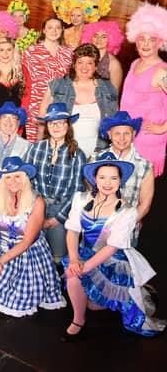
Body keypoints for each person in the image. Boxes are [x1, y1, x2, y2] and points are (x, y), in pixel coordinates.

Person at [62, 153, 165, 340]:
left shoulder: (127, 212)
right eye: (102, 177)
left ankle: (97, 304)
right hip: (86, 252)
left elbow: (111, 247)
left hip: (113, 259)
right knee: (73, 275)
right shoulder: (80, 199)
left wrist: (83, 267)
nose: (107, 182)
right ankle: (79, 319)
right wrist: (75, 259)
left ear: (120, 181)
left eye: (113, 178)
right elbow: (72, 231)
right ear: (94, 179)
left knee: (78, 276)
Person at [0, 156, 66, 316]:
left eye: (17, 176)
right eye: (8, 177)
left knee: (15, 289)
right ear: (3, 180)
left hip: (27, 250)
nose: (13, 181)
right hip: (0, 244)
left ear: (25, 177)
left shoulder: (37, 202)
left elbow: (27, 241)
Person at [26, 103, 86, 262]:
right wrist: (32, 208)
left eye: (61, 122)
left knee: (58, 257)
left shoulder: (77, 154)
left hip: (62, 209)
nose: (56, 126)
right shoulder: (36, 148)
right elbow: (27, 180)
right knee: (34, 251)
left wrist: (58, 218)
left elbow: (77, 190)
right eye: (52, 123)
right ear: (47, 126)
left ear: (68, 125)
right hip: (36, 205)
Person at [40, 43, 118, 157]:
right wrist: (42, 148)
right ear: (74, 64)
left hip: (99, 153)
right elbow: (42, 117)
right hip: (65, 152)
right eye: (80, 62)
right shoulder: (58, 85)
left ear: (96, 66)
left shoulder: (107, 88)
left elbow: (116, 122)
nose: (84, 67)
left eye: (89, 63)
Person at [120, 3, 167, 177]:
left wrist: (163, 128)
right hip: (128, 136)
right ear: (135, 39)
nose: (146, 44)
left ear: (160, 42)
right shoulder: (135, 64)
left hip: (148, 140)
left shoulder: (161, 71)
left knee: (142, 191)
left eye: (152, 39)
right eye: (142, 38)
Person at [97, 111, 154, 245]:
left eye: (126, 133)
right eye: (117, 133)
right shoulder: (95, 159)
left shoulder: (145, 166)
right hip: (97, 228)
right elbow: (90, 194)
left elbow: (145, 205)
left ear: (134, 134)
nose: (122, 138)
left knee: (123, 265)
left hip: (126, 232)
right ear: (109, 134)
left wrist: (124, 225)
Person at [22, 17, 73, 141]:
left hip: (60, 104)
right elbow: (23, 79)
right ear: (44, 30)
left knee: (59, 141)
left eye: (57, 28)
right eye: (50, 27)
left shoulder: (69, 52)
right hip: (35, 103)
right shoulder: (31, 51)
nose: (54, 31)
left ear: (62, 30)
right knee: (35, 143)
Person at [80, 21, 124, 92]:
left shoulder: (114, 63)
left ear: (111, 39)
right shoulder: (84, 57)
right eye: (95, 36)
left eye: (104, 36)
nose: (99, 39)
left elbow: (114, 94)